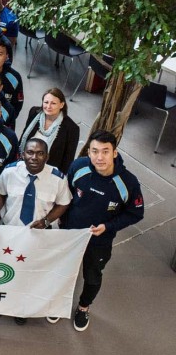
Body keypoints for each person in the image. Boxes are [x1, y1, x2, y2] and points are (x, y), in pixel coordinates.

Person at [61, 130, 144, 331]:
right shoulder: (78, 167)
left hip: (99, 241)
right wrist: (63, 224)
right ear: (88, 152)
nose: (99, 157)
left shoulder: (128, 183)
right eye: (95, 151)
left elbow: (136, 213)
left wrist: (108, 227)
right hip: (69, 235)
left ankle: (83, 307)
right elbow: (65, 197)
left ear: (115, 153)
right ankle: (57, 304)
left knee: (92, 276)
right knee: (62, 271)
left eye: (105, 151)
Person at [0, 138, 72, 324]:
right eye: (30, 152)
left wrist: (47, 220)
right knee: (4, 270)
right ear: (23, 154)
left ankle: (20, 308)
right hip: (9, 232)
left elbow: (63, 203)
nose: (34, 157)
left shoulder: (58, 179)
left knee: (28, 273)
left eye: (40, 153)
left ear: (47, 156)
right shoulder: (10, 171)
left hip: (37, 236)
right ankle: (0, 304)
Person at [20, 88, 80, 173]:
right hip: (24, 164)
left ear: (61, 105)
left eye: (53, 103)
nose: (48, 107)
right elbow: (24, 137)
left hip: (49, 171)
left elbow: (68, 160)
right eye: (46, 102)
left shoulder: (71, 128)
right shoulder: (34, 112)